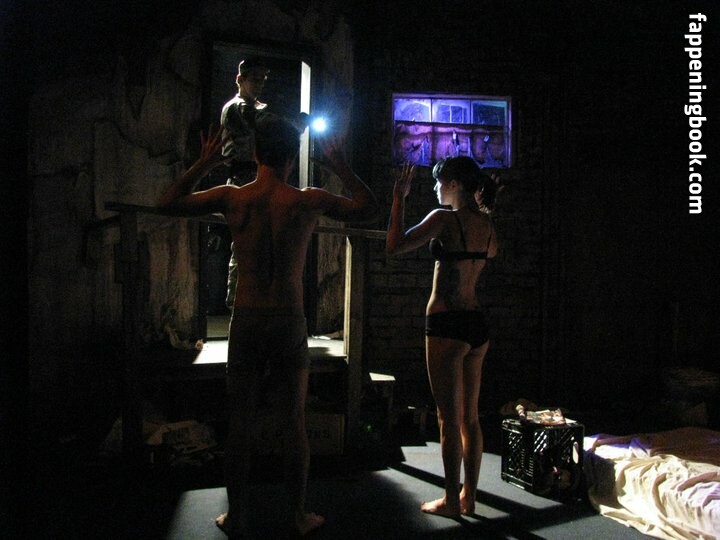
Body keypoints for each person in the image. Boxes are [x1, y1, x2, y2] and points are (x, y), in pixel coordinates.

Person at [158, 114, 378, 537]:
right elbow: (368, 208)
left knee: (240, 422)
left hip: (247, 318)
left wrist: (203, 165)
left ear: (257, 153)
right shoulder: (306, 200)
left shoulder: (233, 197)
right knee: (294, 422)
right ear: (292, 157)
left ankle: (236, 516)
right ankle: (297, 517)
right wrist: (340, 165)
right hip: (287, 319)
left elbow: (167, 202)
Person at [386, 156, 498, 518]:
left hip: (446, 324)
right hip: (476, 325)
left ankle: (451, 501)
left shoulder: (442, 219)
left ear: (454, 184)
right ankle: (469, 497)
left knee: (447, 419)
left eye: (439, 182)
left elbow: (394, 246)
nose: (435, 188)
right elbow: (491, 253)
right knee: (471, 419)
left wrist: (398, 199)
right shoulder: (488, 226)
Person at [220, 56, 270, 310]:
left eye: (262, 80)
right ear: (240, 79)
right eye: (255, 79)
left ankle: (251, 302)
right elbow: (254, 123)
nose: (259, 85)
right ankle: (236, 304)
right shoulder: (236, 108)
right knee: (243, 244)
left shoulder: (256, 107)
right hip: (242, 178)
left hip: (256, 177)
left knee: (258, 243)